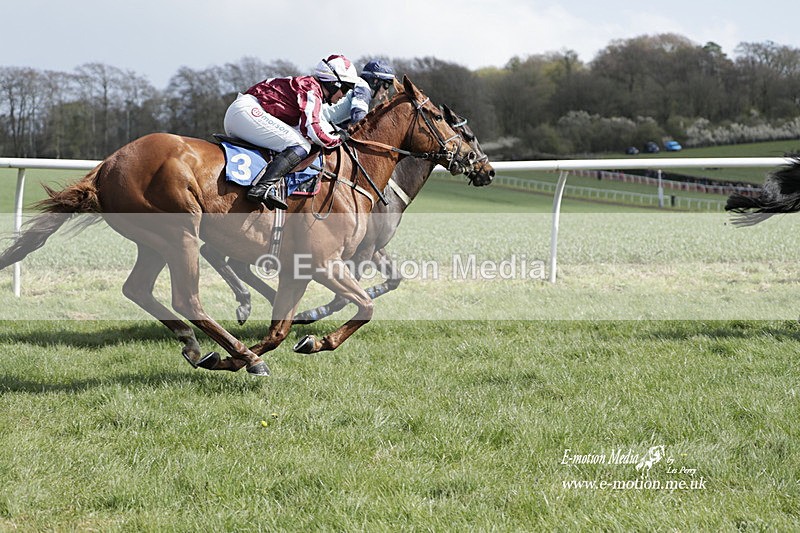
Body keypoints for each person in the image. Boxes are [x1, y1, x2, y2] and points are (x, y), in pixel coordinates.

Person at [223, 54, 360, 209]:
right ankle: (262, 187)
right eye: (345, 88)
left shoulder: (311, 89)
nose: (345, 95)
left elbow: (319, 125)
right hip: (245, 112)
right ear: (334, 84)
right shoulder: (311, 90)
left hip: (243, 113)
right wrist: (339, 139)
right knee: (301, 145)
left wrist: (338, 133)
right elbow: (314, 132)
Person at [321, 59, 396, 127]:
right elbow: (359, 119)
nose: (387, 91)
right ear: (375, 81)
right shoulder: (363, 87)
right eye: (386, 85)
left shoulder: (359, 85)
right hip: (318, 120)